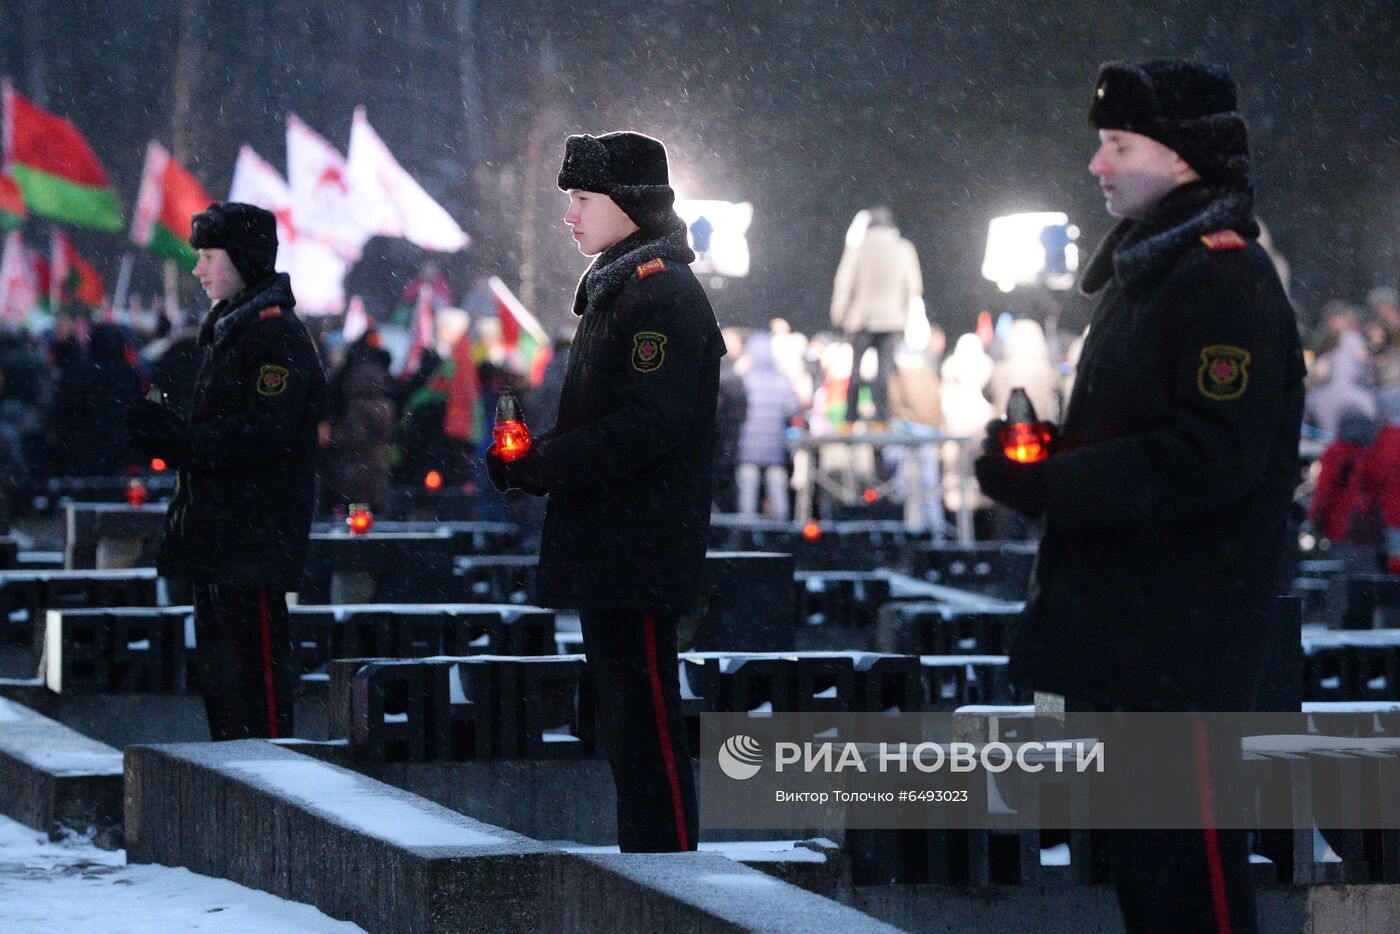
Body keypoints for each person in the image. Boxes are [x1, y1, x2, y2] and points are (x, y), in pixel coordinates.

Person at [975, 60, 1305, 933]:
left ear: (1184, 158)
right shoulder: (1157, 273)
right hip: (1144, 630)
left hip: (1180, 632)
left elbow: (1210, 455)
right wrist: (1048, 459)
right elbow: (1151, 442)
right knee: (1154, 875)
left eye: (1119, 144)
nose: (1098, 165)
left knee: (1186, 877)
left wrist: (1056, 482)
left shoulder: (1221, 277)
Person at [488, 131, 722, 852]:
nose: (571, 215)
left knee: (645, 724)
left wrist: (546, 463)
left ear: (629, 205)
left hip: (638, 545)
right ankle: (650, 870)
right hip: (617, 544)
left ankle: (670, 880)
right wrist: (533, 458)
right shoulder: (623, 288)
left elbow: (648, 425)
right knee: (625, 724)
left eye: (583, 199)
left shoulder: (661, 293)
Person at [125, 202, 326, 741]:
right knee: (224, 687)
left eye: (209, 256)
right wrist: (170, 431)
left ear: (242, 260)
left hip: (251, 539)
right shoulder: (233, 330)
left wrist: (179, 440)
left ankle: (266, 798)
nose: (198, 269)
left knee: (255, 694)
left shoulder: (274, 334)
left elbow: (263, 435)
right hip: (225, 537)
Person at [830, 206, 922, 422]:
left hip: (861, 318)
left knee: (855, 370)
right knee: (884, 372)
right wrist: (905, 314)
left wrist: (839, 314)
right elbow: (913, 286)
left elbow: (843, 283)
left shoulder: (858, 248)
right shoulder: (903, 248)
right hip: (892, 319)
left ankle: (850, 416)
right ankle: (882, 418)